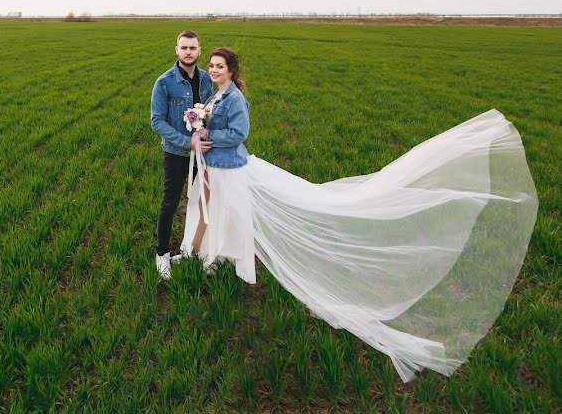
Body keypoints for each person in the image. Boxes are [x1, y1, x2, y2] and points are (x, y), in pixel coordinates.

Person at [180, 47, 539, 382]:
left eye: (219, 66)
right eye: (211, 66)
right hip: (218, 166)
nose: (213, 70)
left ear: (232, 70)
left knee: (235, 215)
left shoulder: (236, 99)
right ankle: (211, 256)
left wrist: (206, 129)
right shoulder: (217, 95)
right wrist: (198, 127)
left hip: (231, 167)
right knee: (213, 211)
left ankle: (222, 260)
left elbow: (240, 133)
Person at [150, 30, 214, 279]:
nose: (189, 52)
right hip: (177, 153)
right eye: (184, 48)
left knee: (204, 201)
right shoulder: (164, 82)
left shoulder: (208, 79)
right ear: (176, 50)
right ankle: (162, 254)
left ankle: (197, 249)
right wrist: (187, 143)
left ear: (199, 51)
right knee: (171, 202)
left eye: (193, 48)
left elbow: (213, 111)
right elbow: (157, 121)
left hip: (205, 153)